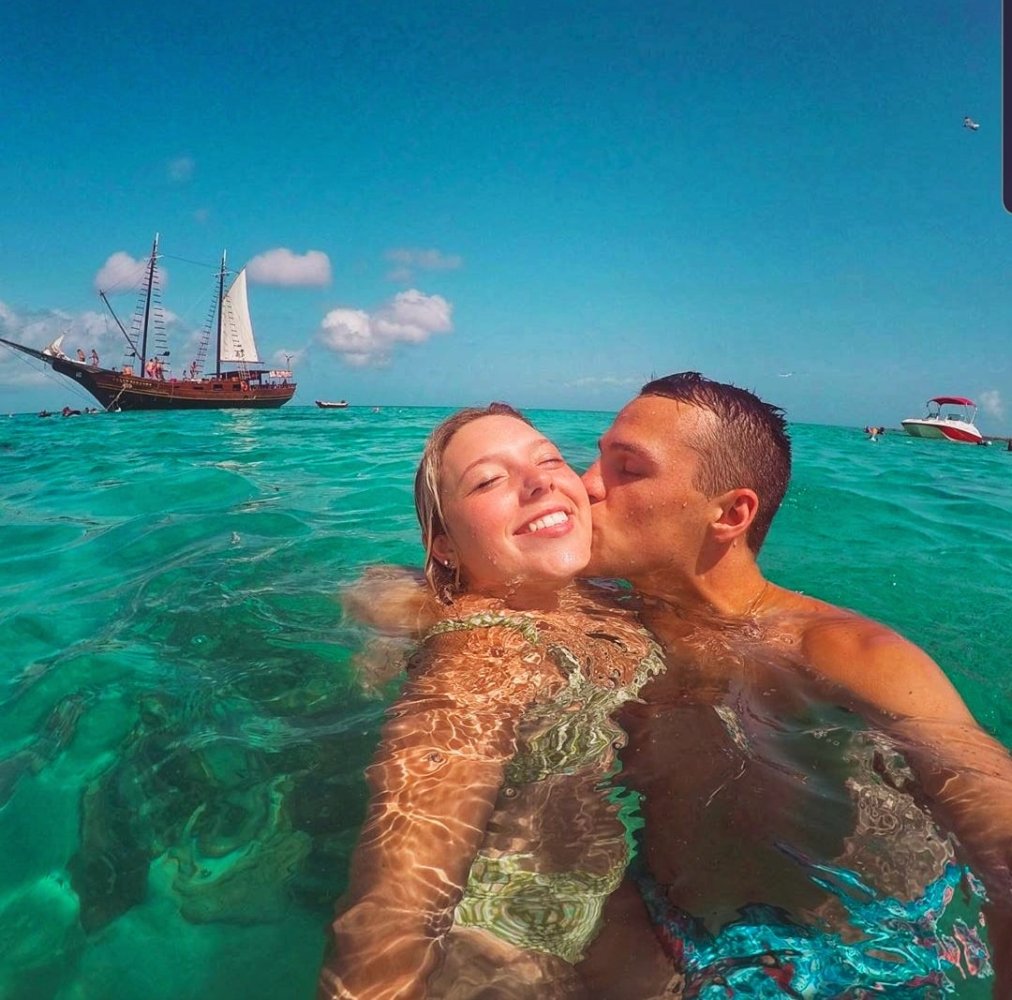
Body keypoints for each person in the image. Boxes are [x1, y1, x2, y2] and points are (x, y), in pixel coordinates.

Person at [577, 372, 1012, 996]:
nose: (587, 484)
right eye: (598, 459)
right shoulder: (602, 613)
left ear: (731, 514)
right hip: (658, 912)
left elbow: (992, 815)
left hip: (843, 947)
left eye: (627, 469)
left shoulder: (842, 652)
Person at [318, 404, 667, 1000]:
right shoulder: (487, 658)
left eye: (549, 460)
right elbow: (398, 904)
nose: (539, 483)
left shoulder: (598, 599)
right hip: (507, 946)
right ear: (445, 546)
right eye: (487, 481)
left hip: (596, 909)